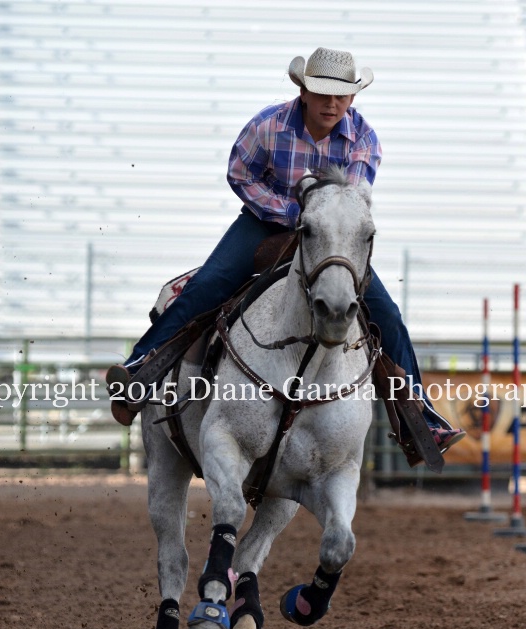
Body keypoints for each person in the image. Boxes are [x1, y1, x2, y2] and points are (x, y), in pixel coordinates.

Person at [107, 47, 464, 463]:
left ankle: (420, 419)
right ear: (304, 91)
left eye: (341, 96)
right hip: (266, 222)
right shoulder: (268, 125)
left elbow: (351, 199)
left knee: (386, 316)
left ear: (352, 98)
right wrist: (288, 211)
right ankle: (139, 372)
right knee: (210, 284)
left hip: (328, 235)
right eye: (323, 94)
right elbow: (240, 173)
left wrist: (314, 218)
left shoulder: (364, 137)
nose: (332, 104)